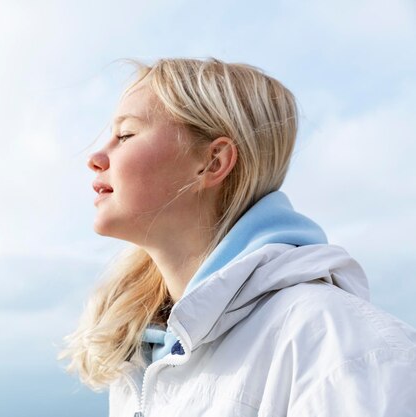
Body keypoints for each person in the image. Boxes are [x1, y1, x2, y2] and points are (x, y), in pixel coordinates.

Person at [60, 58, 416, 416]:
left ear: (213, 162)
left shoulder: (339, 347)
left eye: (125, 135)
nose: (95, 157)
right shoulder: (143, 355)